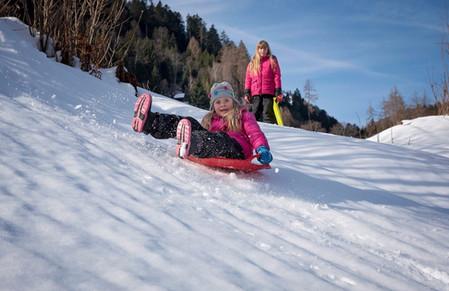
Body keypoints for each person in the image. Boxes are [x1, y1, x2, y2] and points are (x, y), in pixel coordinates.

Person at [131, 81, 273, 164]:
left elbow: (255, 133)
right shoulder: (210, 119)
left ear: (233, 101)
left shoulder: (243, 114)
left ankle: (190, 143)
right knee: (189, 122)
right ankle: (150, 122)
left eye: (226, 100)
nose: (222, 105)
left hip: (237, 150)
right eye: (218, 102)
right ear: (213, 105)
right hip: (212, 145)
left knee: (220, 139)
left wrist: (262, 149)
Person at [244, 40, 283, 124]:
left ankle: (269, 133)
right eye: (260, 48)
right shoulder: (252, 63)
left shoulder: (272, 60)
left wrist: (278, 90)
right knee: (254, 114)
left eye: (264, 48)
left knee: (267, 114)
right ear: (257, 50)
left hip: (268, 93)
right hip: (255, 94)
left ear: (267, 49)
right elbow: (248, 78)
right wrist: (247, 92)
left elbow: (277, 76)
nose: (262, 51)